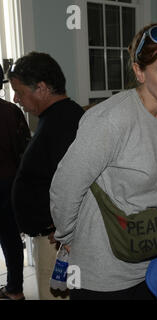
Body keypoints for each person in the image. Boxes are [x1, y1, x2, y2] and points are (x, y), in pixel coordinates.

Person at [49, 22, 157, 300]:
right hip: (103, 275)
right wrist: (67, 238)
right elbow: (65, 187)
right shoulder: (110, 121)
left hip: (150, 265)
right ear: (139, 71)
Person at [8, 52, 85, 300]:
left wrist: (64, 226)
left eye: (19, 91)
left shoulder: (65, 122)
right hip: (50, 237)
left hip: (57, 242)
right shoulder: (52, 118)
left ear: (41, 88)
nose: (16, 98)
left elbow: (79, 181)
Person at [0, 64, 31, 300]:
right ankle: (15, 290)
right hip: (10, 183)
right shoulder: (12, 112)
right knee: (11, 238)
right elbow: (25, 151)